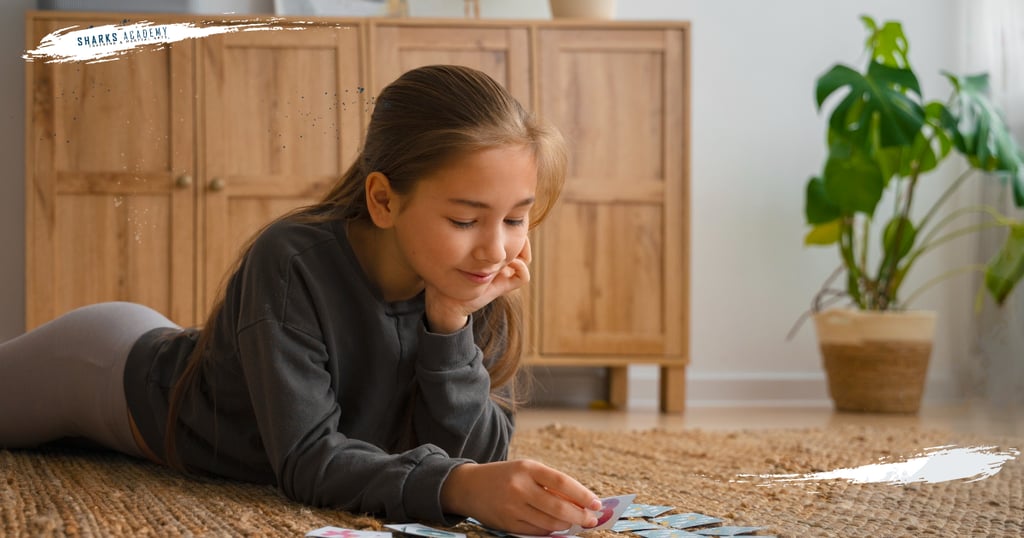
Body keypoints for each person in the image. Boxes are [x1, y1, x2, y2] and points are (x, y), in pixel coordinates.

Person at [0, 64, 603, 535]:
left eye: (517, 220)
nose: (495, 249)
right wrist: (458, 489)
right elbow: (308, 459)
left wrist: (449, 327)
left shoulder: (472, 281)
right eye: (466, 219)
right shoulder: (292, 260)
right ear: (385, 200)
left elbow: (474, 457)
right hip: (107, 372)